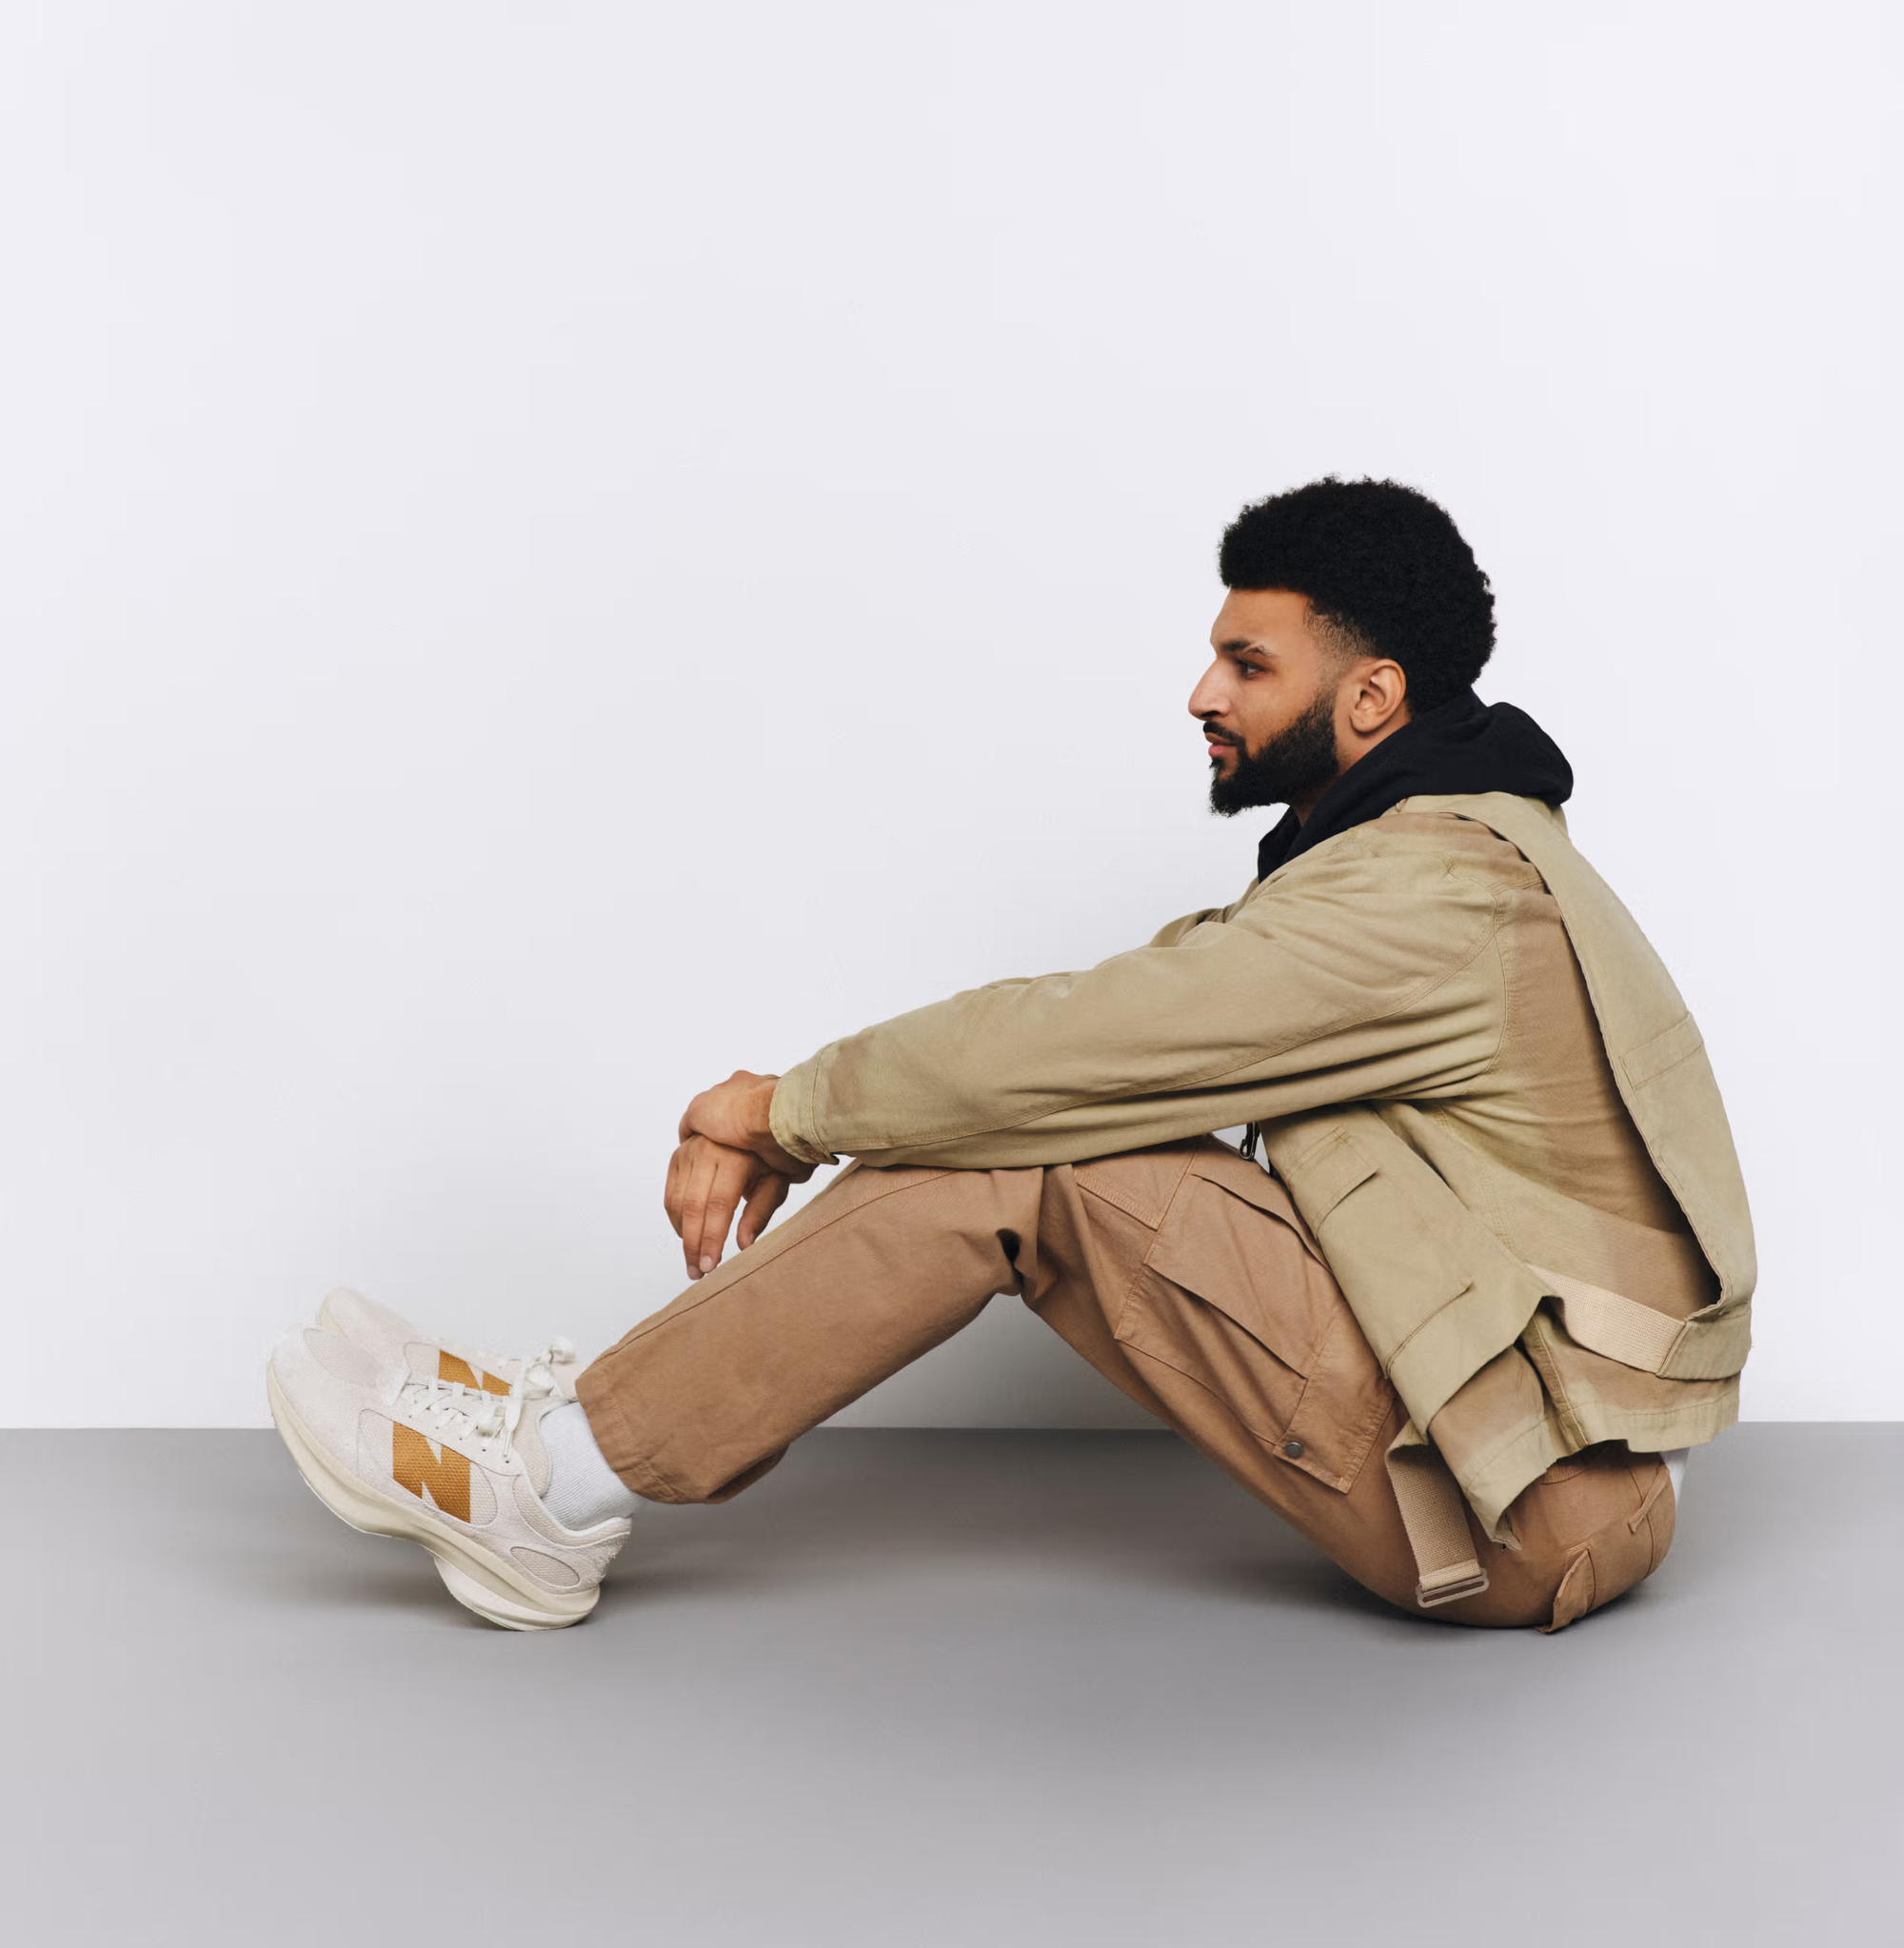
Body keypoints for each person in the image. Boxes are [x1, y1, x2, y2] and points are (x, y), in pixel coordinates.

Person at [267, 477, 1753, 1633]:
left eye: (1247, 662)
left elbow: (1071, 1046)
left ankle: (550, 1484)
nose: (1203, 693)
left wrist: (779, 1110)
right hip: (1526, 1453)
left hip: (1532, 1505)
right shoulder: (1418, 856)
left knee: (1025, 1152)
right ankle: (565, 1427)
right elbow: (1128, 1016)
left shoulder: (1435, 894)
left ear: (1371, 697)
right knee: (1030, 1118)